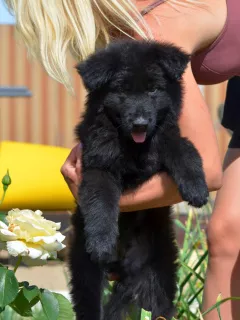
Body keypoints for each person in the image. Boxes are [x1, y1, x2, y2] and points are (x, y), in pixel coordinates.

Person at [6, 0, 240, 318]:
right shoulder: (130, 37)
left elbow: (208, 174)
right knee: (227, 234)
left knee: (229, 230)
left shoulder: (154, 30)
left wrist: (102, 202)